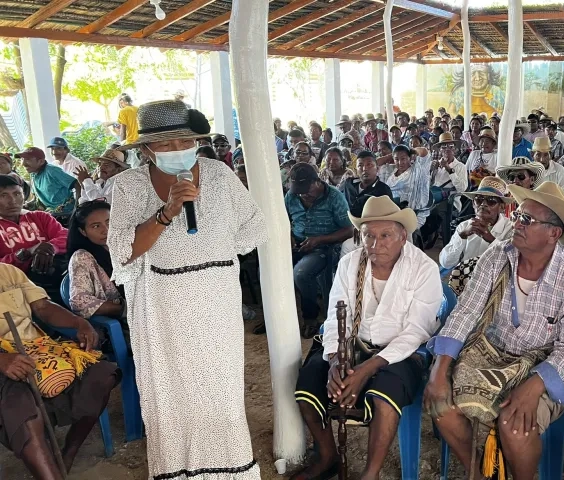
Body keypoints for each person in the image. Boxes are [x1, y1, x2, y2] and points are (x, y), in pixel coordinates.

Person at [109, 99, 267, 479]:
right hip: (163, 304)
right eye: (165, 145)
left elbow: (253, 226)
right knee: (172, 391)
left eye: (185, 141)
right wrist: (167, 212)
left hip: (216, 299)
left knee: (218, 389)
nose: (177, 150)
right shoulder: (128, 186)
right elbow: (124, 251)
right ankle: (177, 470)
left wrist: (214, 253)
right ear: (145, 149)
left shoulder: (218, 175)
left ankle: (227, 470)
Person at [425, 181, 564, 480]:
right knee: (440, 400)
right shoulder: (498, 255)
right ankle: (476, 471)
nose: (516, 223)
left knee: (514, 424)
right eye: (517, 215)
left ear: (553, 233)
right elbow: (465, 312)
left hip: (548, 365)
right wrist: (439, 371)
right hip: (491, 354)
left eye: (527, 220)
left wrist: (533, 387)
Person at [291, 196, 441, 480]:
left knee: (385, 397)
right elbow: (337, 317)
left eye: (385, 235)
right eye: (368, 236)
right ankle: (327, 456)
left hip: (399, 352)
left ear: (402, 236)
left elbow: (417, 331)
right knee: (308, 386)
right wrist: (336, 360)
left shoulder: (423, 268)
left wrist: (367, 369)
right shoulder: (350, 263)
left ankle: (370, 474)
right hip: (350, 344)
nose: (375, 244)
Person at [0, 261, 119, 477]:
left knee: (101, 375)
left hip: (35, 349)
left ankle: (67, 455)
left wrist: (78, 323)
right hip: (3, 363)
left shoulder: (7, 272)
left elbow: (43, 308)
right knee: (24, 411)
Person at [283, 162, 354, 337]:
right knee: (268, 270)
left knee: (301, 273)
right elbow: (283, 220)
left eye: (306, 190)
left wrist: (319, 239)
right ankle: (277, 317)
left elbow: (349, 229)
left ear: (317, 182)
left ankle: (310, 318)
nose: (303, 195)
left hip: (323, 247)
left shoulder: (334, 197)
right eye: (298, 191)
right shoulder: (292, 196)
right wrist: (289, 235)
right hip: (296, 243)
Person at [439, 176, 513, 277]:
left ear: (502, 207)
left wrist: (491, 239)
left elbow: (512, 264)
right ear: (473, 204)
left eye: (491, 201)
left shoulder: (510, 229)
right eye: (479, 200)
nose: (483, 204)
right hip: (464, 284)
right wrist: (462, 236)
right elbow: (445, 262)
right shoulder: (464, 226)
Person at [66, 200, 125, 326]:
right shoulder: (82, 257)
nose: (106, 230)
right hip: (124, 323)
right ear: (83, 231)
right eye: (96, 226)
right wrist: (125, 309)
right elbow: (79, 302)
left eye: (109, 222)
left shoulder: (129, 245)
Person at [378, 145, 432, 229]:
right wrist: (392, 154)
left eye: (403, 158)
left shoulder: (417, 170)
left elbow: (423, 152)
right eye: (396, 159)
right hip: (392, 212)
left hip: (413, 213)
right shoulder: (392, 174)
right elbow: (375, 163)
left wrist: (410, 150)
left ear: (409, 158)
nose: (400, 162)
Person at [14, 147, 78, 217]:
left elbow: (77, 184)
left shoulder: (52, 171)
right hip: (50, 210)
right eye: (22, 159)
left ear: (41, 161)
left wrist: (76, 206)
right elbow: (37, 200)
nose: (23, 164)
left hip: (65, 212)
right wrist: (24, 206)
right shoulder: (33, 174)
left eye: (28, 159)